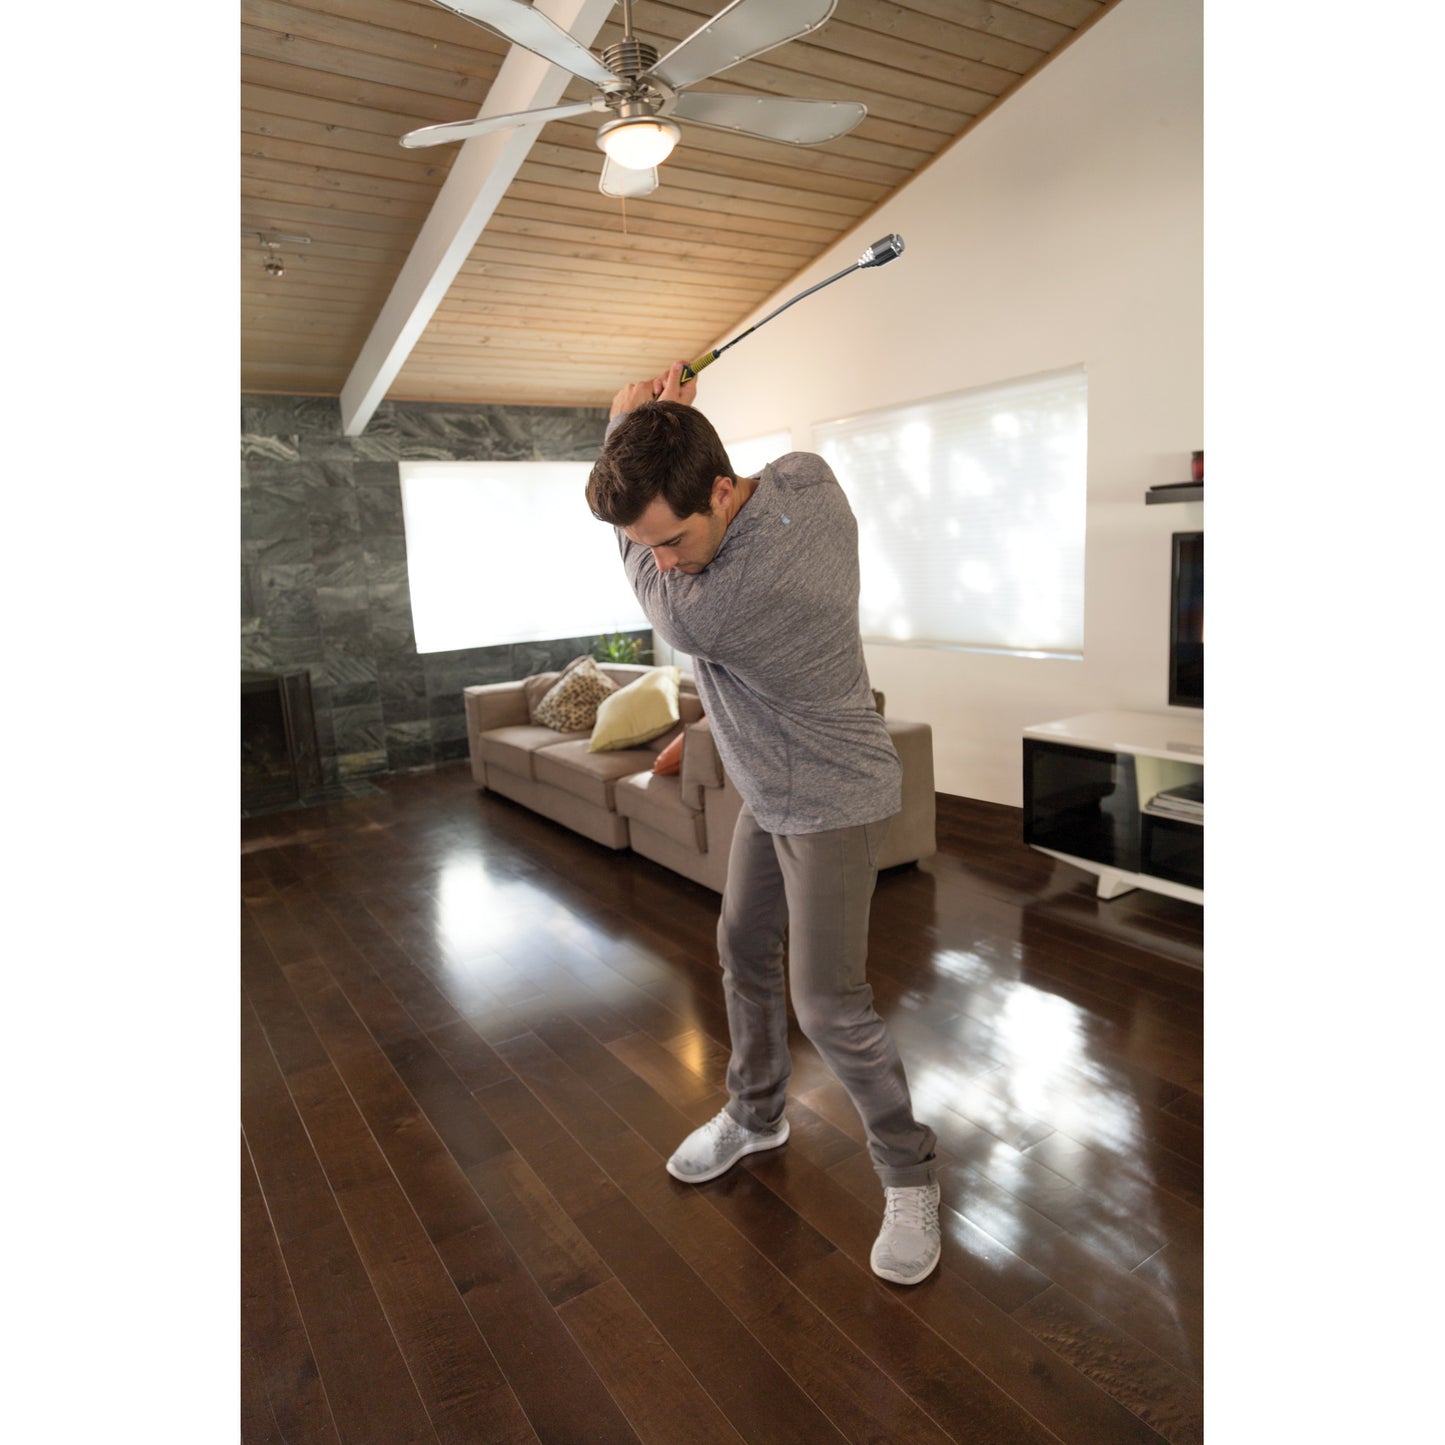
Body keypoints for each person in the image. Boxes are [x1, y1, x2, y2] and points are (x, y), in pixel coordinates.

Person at [586, 360, 941, 1285]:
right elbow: (690, 501)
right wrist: (658, 428)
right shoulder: (805, 481)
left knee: (828, 1002)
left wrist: (619, 426)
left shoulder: (722, 605)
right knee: (740, 951)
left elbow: (649, 589)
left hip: (833, 799)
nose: (661, 557)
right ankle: (755, 1112)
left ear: (717, 491)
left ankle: (910, 1173)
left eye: (670, 539)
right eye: (648, 543)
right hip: (765, 786)